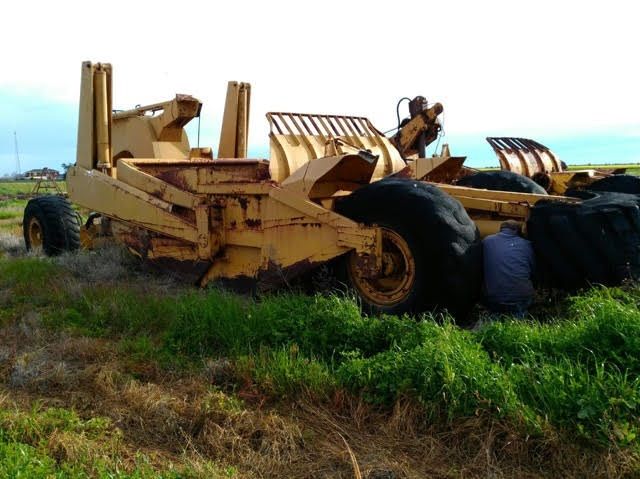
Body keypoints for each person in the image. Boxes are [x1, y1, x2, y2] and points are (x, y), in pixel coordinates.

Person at [482, 220, 535, 318]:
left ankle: (495, 318)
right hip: (520, 298)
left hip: (494, 298)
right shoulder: (527, 245)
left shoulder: (487, 241)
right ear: (517, 231)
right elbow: (533, 269)